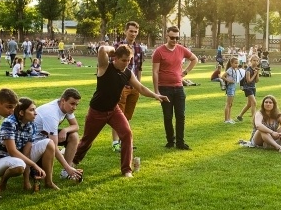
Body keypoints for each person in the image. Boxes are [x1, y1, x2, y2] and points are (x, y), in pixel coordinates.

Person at [71, 44, 169, 177]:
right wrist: (112, 51)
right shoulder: (105, 67)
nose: (126, 63)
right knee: (87, 141)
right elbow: (101, 49)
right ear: (115, 58)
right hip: (97, 111)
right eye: (124, 60)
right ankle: (73, 162)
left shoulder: (128, 73)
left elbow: (140, 87)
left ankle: (126, 170)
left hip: (113, 110)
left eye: (129, 60)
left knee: (127, 134)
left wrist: (156, 95)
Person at [0, 97, 53, 192]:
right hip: (1, 160)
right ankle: (3, 181)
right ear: (21, 113)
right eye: (32, 110)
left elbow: (26, 153)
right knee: (19, 166)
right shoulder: (9, 123)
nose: (35, 113)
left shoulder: (32, 125)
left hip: (19, 159)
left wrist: (26, 181)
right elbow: (12, 151)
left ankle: (49, 183)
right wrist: (34, 165)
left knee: (49, 143)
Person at [152, 26, 198, 150]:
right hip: (164, 88)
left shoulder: (181, 49)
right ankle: (170, 141)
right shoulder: (159, 51)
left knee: (180, 116)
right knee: (168, 116)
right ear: (166, 36)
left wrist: (185, 72)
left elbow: (194, 59)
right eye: (172, 38)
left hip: (178, 88)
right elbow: (155, 72)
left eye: (177, 38)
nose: (174, 40)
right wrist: (156, 91)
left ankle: (180, 142)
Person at [35, 88, 83, 182]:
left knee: (74, 136)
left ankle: (65, 172)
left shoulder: (65, 108)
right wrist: (69, 168)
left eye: (76, 104)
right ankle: (66, 169)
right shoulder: (51, 114)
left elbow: (76, 126)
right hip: (33, 144)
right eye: (72, 103)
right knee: (39, 173)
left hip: (45, 137)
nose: (74, 107)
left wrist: (65, 130)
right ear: (63, 100)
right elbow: (54, 146)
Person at [112, 21, 145, 151]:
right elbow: (112, 67)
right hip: (120, 86)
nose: (133, 34)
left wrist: (139, 86)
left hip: (134, 86)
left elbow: (139, 68)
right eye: (131, 31)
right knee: (117, 115)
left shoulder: (139, 49)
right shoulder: (117, 46)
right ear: (125, 31)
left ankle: (124, 141)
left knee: (127, 116)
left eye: (135, 31)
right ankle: (115, 143)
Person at [236, 55, 260, 123]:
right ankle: (254, 120)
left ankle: (240, 116)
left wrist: (257, 73)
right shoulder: (248, 70)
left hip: (253, 87)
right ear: (250, 61)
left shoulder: (256, 70)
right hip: (247, 88)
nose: (255, 62)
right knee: (254, 103)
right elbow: (248, 81)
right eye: (254, 60)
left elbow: (257, 81)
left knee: (249, 104)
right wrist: (255, 74)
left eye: (257, 61)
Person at [222, 57, 242, 124]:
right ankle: (226, 119)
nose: (237, 64)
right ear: (231, 63)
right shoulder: (230, 70)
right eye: (235, 63)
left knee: (230, 104)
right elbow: (222, 76)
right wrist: (228, 80)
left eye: (237, 63)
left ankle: (229, 118)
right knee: (228, 104)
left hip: (233, 87)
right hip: (230, 87)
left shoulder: (234, 70)